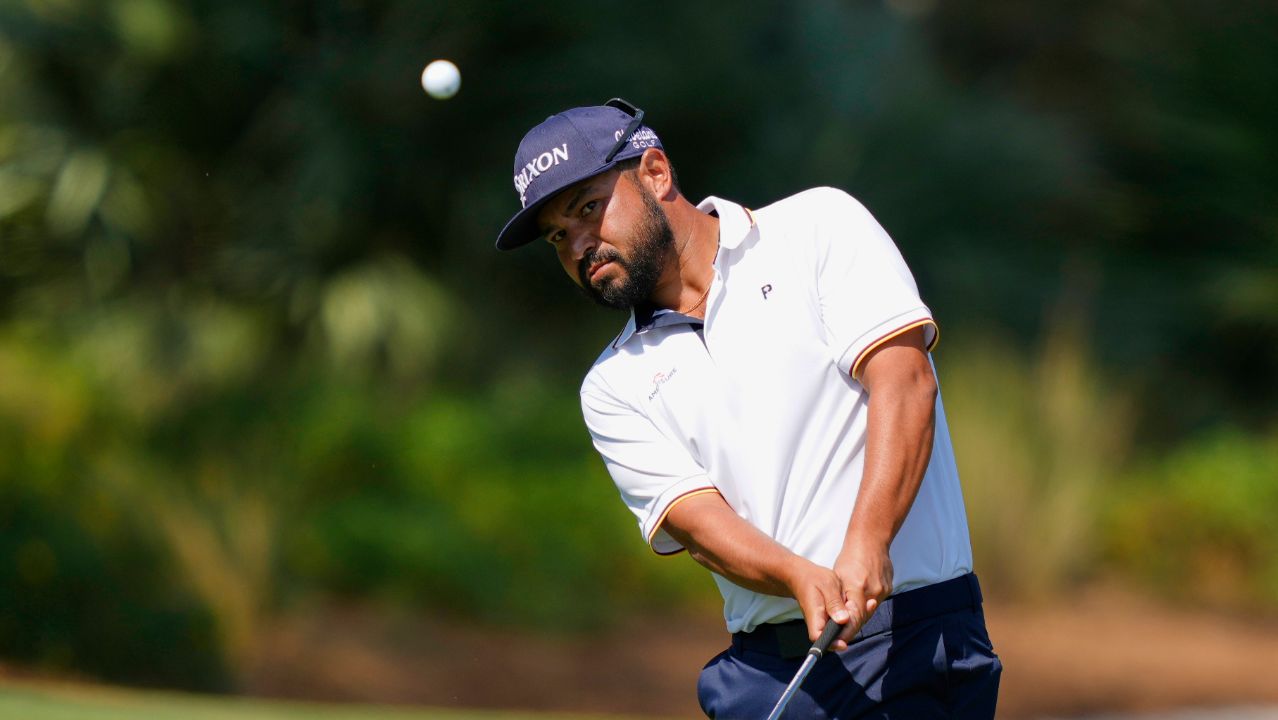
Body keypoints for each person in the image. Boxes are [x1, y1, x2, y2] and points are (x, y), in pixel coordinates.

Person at [496, 99, 1001, 719]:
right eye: (558, 236)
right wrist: (797, 575)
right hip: (768, 672)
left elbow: (905, 382)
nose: (579, 246)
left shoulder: (817, 227)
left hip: (915, 643)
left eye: (588, 210)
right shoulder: (611, 385)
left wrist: (868, 542)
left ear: (655, 172)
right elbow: (698, 525)